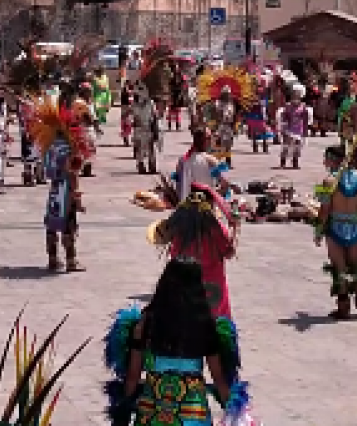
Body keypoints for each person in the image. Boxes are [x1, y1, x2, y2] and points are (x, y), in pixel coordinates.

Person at [104, 259, 254, 426]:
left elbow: (132, 377)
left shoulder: (144, 323)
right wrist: (236, 415)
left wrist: (121, 413)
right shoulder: (205, 325)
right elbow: (219, 379)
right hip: (194, 417)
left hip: (151, 416)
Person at [146, 185, 238, 320]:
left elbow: (173, 254)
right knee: (215, 324)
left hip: (186, 286)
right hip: (213, 287)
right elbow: (229, 253)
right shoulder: (217, 229)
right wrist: (235, 231)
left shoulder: (178, 229)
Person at [312, 143, 357, 319]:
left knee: (340, 268)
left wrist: (318, 229)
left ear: (333, 160)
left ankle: (344, 308)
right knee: (356, 267)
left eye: (326, 157)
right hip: (354, 227)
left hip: (335, 227)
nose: (324, 161)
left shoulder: (329, 181)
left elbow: (325, 209)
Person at [30, 97, 90, 272]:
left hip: (55, 189)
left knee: (52, 222)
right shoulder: (70, 148)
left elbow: (48, 170)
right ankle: (71, 260)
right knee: (68, 222)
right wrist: (76, 194)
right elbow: (73, 172)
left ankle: (53, 258)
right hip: (66, 189)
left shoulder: (51, 147)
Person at [172, 128, 231, 202]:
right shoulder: (210, 160)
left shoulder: (182, 160)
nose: (212, 140)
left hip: (185, 206)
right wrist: (214, 195)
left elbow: (178, 185)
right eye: (210, 138)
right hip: (205, 206)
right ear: (206, 141)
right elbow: (225, 184)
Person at [278, 83, 310, 169]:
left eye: (298, 95)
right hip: (288, 129)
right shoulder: (287, 106)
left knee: (297, 147)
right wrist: (283, 128)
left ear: (300, 96)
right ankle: (283, 162)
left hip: (299, 129)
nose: (295, 97)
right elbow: (283, 117)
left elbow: (306, 120)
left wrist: (305, 131)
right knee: (286, 146)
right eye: (294, 94)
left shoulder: (304, 107)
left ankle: (295, 162)